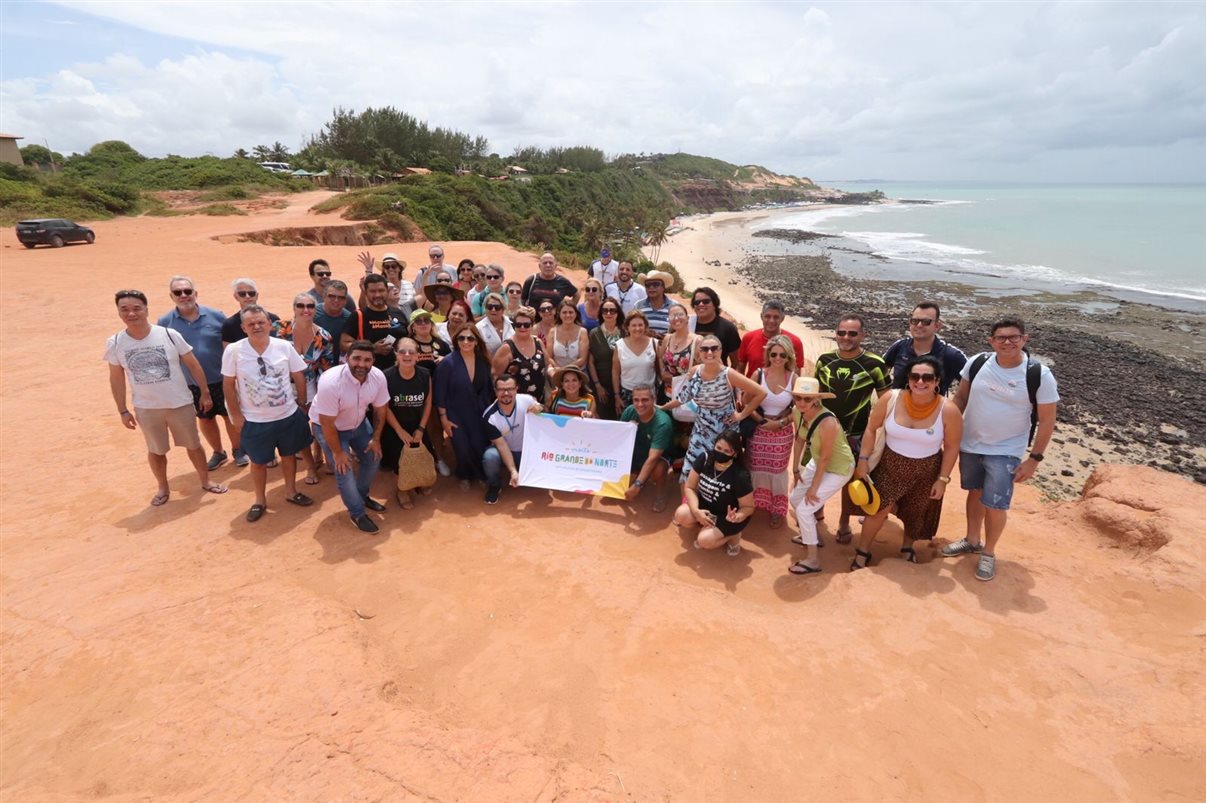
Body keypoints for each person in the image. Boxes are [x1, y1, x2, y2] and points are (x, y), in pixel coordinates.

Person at [940, 317, 1059, 581]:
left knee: (996, 504)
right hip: (970, 443)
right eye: (1001, 337)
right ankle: (972, 539)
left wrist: (1034, 459)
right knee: (975, 492)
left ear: (1024, 340)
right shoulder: (978, 362)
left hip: (1006, 450)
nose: (1007, 342)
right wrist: (946, 432)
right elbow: (960, 398)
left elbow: (1047, 419)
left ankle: (989, 553)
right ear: (991, 341)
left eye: (1014, 337)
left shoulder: (1038, 374)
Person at [106, 289, 228, 506]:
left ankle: (205, 480)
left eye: (136, 308)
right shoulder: (116, 343)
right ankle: (163, 487)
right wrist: (122, 410)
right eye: (124, 309)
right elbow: (116, 378)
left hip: (179, 402)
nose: (131, 314)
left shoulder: (168, 334)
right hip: (147, 407)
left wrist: (205, 392)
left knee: (193, 445)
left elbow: (192, 363)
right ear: (118, 312)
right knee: (156, 450)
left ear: (146, 309)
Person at [851, 355, 963, 569]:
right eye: (915, 376)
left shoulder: (948, 410)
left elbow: (951, 446)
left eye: (927, 377)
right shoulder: (891, 398)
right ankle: (862, 551)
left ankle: (907, 547)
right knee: (878, 509)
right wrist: (863, 459)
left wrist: (942, 479)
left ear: (937, 381)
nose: (920, 382)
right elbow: (871, 428)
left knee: (916, 511)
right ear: (908, 378)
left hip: (927, 469)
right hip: (890, 465)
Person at [222, 306, 314, 523]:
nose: (257, 327)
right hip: (255, 419)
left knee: (289, 456)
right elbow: (228, 384)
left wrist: (301, 404)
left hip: (286, 414)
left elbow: (298, 375)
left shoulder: (283, 347)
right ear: (243, 327)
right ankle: (260, 500)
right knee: (259, 462)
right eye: (251, 324)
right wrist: (235, 414)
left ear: (270, 325)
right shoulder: (234, 351)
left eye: (261, 322)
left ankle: (291, 491)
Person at [814, 314, 892, 541]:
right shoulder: (824, 360)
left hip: (855, 434)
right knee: (820, 473)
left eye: (852, 333)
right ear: (836, 334)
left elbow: (886, 401)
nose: (846, 337)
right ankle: (816, 512)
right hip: (824, 432)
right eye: (841, 332)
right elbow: (815, 397)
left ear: (863, 335)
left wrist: (876, 431)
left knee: (852, 480)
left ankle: (843, 521)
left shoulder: (875, 364)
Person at [158, 275, 242, 470]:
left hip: (222, 379)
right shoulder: (165, 322)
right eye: (178, 292)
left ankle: (238, 450)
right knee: (206, 418)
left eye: (188, 291)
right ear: (171, 296)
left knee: (230, 416)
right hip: (191, 383)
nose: (184, 295)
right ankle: (219, 452)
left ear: (195, 294)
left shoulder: (216, 316)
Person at [309, 340, 390, 534]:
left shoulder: (378, 377)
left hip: (359, 424)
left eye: (367, 360)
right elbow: (327, 423)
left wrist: (376, 439)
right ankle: (357, 513)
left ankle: (361, 496)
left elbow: (380, 410)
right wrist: (337, 452)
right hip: (330, 428)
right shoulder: (330, 382)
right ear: (347, 359)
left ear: (373, 361)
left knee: (373, 458)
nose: (361, 364)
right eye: (356, 359)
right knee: (343, 469)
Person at [663, 334, 766, 479]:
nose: (709, 352)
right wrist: (661, 408)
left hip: (724, 432)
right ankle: (688, 501)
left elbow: (760, 393)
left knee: (721, 475)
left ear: (720, 351)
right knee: (689, 471)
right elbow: (682, 398)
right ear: (699, 352)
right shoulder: (695, 371)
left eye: (714, 348)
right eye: (704, 349)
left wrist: (741, 415)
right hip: (701, 429)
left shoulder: (728, 374)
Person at [785, 377, 855, 575]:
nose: (801, 402)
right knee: (796, 498)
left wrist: (814, 487)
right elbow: (799, 439)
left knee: (806, 510)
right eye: (798, 397)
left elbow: (826, 458)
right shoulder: (797, 413)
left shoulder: (828, 422)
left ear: (816, 399)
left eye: (807, 399)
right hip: (817, 460)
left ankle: (813, 559)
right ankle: (811, 534)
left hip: (839, 467)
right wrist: (796, 469)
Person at [272, 293, 335, 485]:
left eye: (310, 306)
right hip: (280, 386)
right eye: (301, 305)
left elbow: (327, 367)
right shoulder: (279, 329)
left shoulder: (323, 336)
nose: (305, 310)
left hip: (310, 385)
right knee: (297, 428)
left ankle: (318, 455)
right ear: (294, 308)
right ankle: (310, 466)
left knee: (316, 423)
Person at [672, 429, 755, 556]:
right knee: (680, 515)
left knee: (704, 541)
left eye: (727, 451)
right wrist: (696, 511)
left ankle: (733, 536)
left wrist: (737, 517)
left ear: (735, 454)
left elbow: (748, 507)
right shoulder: (705, 458)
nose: (721, 453)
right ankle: (707, 528)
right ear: (714, 444)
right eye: (719, 448)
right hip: (705, 508)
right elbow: (689, 487)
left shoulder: (740, 475)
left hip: (727, 517)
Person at [745, 336, 799, 528]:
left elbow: (801, 408)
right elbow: (745, 403)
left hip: (782, 433)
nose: (777, 358)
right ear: (768, 354)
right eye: (773, 353)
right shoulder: (758, 375)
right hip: (758, 431)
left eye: (782, 355)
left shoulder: (793, 378)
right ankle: (750, 505)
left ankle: (777, 508)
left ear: (788, 357)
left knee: (778, 471)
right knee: (756, 468)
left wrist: (782, 422)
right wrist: (761, 421)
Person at [435, 325, 496, 489]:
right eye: (461, 338)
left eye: (470, 338)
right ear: (456, 340)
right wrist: (443, 419)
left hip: (480, 412)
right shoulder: (447, 363)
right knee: (462, 447)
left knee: (479, 444)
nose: (466, 341)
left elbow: (490, 390)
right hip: (456, 413)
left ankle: (480, 474)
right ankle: (464, 475)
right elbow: (439, 392)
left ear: (476, 342)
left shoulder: (484, 361)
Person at [382, 337, 435, 508]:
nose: (407, 355)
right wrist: (399, 431)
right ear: (396, 354)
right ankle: (402, 490)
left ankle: (418, 482)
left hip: (417, 424)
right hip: (395, 427)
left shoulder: (424, 375)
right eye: (402, 351)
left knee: (423, 455)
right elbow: (385, 407)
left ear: (418, 356)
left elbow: (428, 402)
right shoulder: (387, 376)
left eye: (411, 352)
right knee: (399, 461)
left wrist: (421, 428)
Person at [882, 301, 968, 397]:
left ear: (937, 326)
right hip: (898, 409)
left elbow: (971, 385)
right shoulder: (899, 347)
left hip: (934, 410)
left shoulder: (951, 355)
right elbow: (878, 371)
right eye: (915, 321)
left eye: (925, 322)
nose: (919, 325)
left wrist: (954, 408)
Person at [481, 374, 542, 504]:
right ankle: (494, 485)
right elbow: (501, 446)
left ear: (516, 389)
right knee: (490, 456)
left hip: (528, 451)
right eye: (502, 390)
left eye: (510, 389)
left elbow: (543, 411)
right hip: (506, 452)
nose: (506, 393)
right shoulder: (489, 416)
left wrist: (540, 409)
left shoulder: (527, 400)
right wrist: (513, 471)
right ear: (496, 391)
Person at [407, 309, 453, 476]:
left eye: (427, 320)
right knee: (417, 429)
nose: (424, 324)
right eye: (419, 321)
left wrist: (446, 360)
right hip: (415, 396)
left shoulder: (441, 344)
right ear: (413, 326)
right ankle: (421, 462)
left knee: (436, 428)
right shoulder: (408, 345)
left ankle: (440, 458)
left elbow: (454, 365)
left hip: (439, 394)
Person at [621, 384, 673, 511]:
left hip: (657, 457)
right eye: (636, 400)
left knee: (659, 468)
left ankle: (660, 495)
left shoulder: (662, 423)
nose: (640, 404)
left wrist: (638, 484)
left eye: (645, 400)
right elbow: (618, 438)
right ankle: (634, 475)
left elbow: (653, 458)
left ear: (653, 399)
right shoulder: (629, 411)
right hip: (636, 453)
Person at [340, 274, 406, 372]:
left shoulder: (397, 312)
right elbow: (344, 344)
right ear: (366, 293)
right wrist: (372, 348)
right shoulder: (358, 315)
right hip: (369, 373)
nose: (377, 295)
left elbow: (408, 337)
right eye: (372, 291)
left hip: (399, 373)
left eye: (381, 290)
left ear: (387, 291)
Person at [734, 299, 804, 377]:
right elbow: (740, 369)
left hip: (781, 388)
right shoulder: (748, 338)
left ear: (782, 318)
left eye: (776, 317)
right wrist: (740, 388)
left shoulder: (794, 342)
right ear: (761, 316)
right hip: (752, 387)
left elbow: (797, 374)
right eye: (767, 316)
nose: (771, 320)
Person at [493, 307, 548, 403]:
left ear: (532, 325)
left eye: (526, 325)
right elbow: (495, 376)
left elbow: (548, 364)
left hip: (538, 402)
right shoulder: (507, 348)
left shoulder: (538, 342)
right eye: (518, 324)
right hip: (514, 403)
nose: (522, 328)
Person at [612, 310, 658, 414]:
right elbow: (615, 373)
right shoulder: (619, 346)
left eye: (640, 325)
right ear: (627, 327)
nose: (637, 328)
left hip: (649, 395)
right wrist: (616, 396)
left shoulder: (654, 344)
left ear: (645, 326)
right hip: (627, 395)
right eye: (633, 325)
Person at [587, 298, 624, 419]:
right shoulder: (594, 333)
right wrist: (597, 386)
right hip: (602, 387)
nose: (608, 314)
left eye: (612, 311)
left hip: (623, 386)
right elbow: (591, 362)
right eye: (605, 310)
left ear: (618, 313)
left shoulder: (625, 333)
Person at [689, 287, 741, 366]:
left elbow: (736, 362)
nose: (701, 304)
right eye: (697, 302)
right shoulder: (687, 324)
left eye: (706, 301)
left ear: (715, 304)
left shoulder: (728, 328)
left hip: (717, 376)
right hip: (689, 375)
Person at [658, 303, 700, 401]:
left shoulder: (697, 341)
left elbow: (706, 368)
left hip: (686, 396)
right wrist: (662, 372)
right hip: (667, 393)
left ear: (687, 318)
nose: (676, 318)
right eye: (672, 316)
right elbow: (660, 357)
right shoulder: (667, 338)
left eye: (680, 314)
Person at [220, 279, 279, 346]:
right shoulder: (229, 325)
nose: (247, 296)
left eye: (251, 293)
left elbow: (281, 341)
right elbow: (228, 352)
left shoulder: (274, 319)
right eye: (242, 294)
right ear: (236, 297)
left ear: (256, 296)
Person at [545, 297, 590, 381]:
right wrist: (557, 370)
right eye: (564, 312)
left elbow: (582, 359)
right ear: (559, 314)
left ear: (576, 314)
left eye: (571, 312)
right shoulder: (552, 331)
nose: (568, 315)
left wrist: (564, 370)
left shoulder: (582, 332)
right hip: (556, 373)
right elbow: (549, 357)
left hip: (578, 373)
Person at [314, 280, 352, 353]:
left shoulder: (350, 319)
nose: (336, 300)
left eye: (341, 297)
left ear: (345, 300)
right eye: (332, 296)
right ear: (324, 296)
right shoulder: (311, 314)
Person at [475, 292, 514, 357]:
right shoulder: (479, 328)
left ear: (502, 309)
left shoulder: (512, 323)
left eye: (497, 307)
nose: (493, 310)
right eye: (490, 307)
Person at [636, 270, 675, 337]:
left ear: (663, 287)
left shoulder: (674, 307)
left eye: (656, 284)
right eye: (648, 285)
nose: (651, 287)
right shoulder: (638, 306)